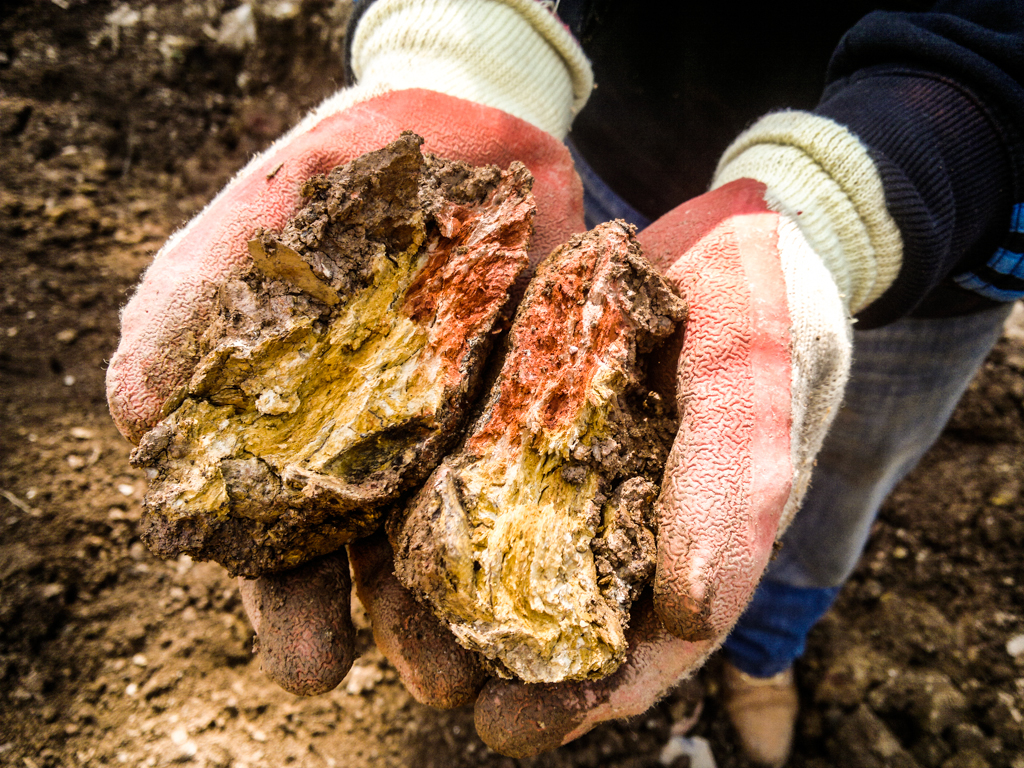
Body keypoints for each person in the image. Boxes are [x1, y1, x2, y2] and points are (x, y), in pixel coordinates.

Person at [105, 1, 1024, 765]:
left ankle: (767, 649)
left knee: (836, 487)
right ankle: (756, 638)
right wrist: (468, 47)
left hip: (935, 219)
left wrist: (847, 207)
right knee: (670, 425)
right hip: (606, 122)